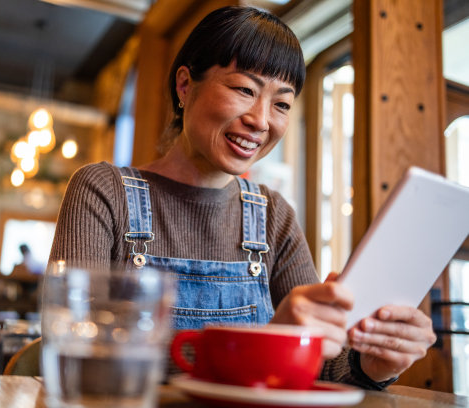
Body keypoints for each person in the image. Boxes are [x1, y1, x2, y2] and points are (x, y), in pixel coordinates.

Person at [48, 6, 436, 389]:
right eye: (244, 90)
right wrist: (266, 342)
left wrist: (373, 362)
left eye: (281, 104)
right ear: (185, 86)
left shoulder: (273, 215)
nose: (261, 120)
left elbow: (320, 368)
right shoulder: (102, 191)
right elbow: (74, 351)